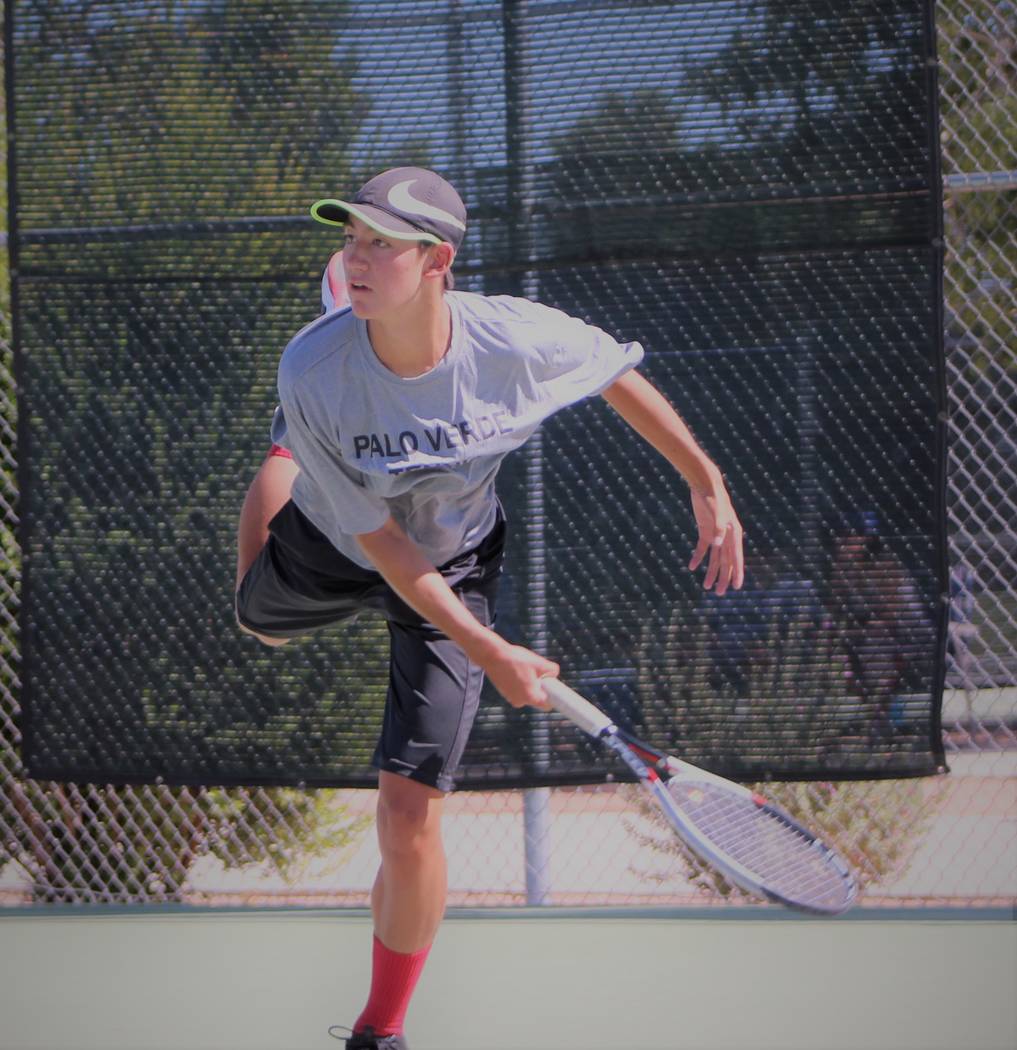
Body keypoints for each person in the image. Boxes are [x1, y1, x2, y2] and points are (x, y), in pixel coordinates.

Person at [234, 167, 745, 1050]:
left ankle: (379, 1032)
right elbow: (381, 547)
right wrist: (490, 648)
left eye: (378, 244)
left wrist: (708, 480)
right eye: (348, 240)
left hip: (453, 553)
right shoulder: (313, 368)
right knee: (258, 619)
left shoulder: (513, 338)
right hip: (338, 535)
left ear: (437, 261)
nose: (355, 254)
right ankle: (287, 456)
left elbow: (614, 374)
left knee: (408, 812)